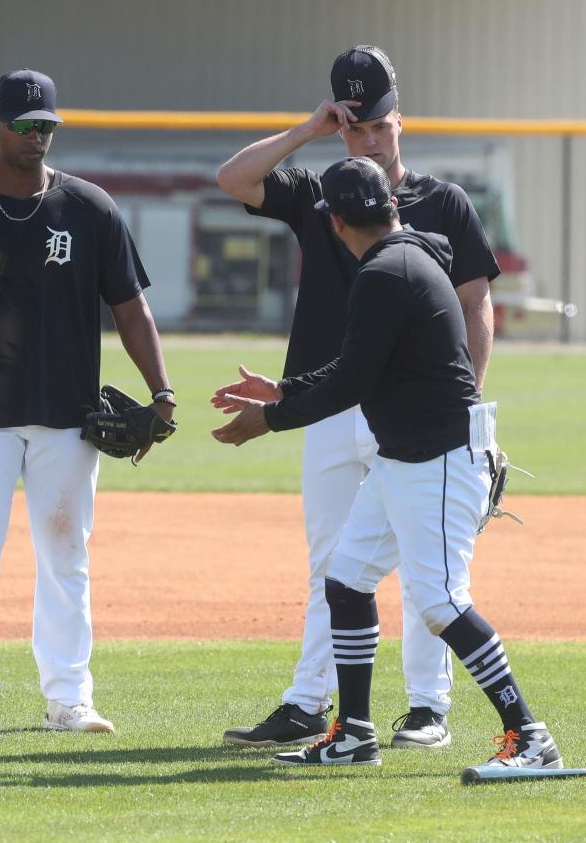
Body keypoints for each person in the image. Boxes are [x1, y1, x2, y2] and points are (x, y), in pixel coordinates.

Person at [213, 156, 561, 771]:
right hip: (405, 458)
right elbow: (357, 366)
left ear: (340, 221)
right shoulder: (408, 256)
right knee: (347, 581)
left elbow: (352, 380)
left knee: (441, 603)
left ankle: (529, 735)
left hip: (441, 460)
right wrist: (286, 392)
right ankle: (353, 734)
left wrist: (268, 420)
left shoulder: (384, 273)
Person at [215, 45, 500, 750]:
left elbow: (477, 306)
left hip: (411, 409)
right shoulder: (324, 194)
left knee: (426, 563)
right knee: (333, 560)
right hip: (329, 401)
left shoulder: (442, 203)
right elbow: (233, 178)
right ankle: (312, 702)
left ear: (400, 120)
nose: (369, 140)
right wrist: (308, 130)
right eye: (354, 128)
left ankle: (428, 707)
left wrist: (464, 399)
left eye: (378, 125)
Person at [0, 69, 176, 736]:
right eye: (25, 125)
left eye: (47, 125)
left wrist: (162, 392)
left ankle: (69, 698)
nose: (37, 136)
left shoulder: (89, 209)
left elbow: (132, 308)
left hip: (66, 416)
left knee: (66, 553)